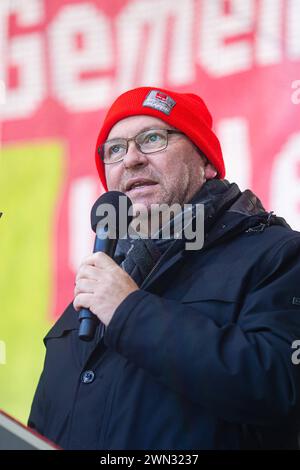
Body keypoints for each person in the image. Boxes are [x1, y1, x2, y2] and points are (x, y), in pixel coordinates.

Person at [28, 86, 300, 450]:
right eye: (115, 150)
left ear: (206, 163)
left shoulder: (276, 255)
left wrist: (129, 311)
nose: (132, 159)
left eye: (153, 138)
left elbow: (281, 387)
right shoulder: (97, 289)